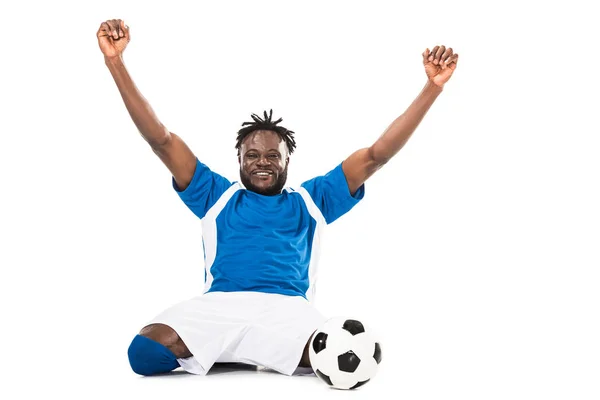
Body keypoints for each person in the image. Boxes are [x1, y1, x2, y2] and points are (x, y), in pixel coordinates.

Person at [97, 18, 459, 377]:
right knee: (144, 352)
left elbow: (376, 155)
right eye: (252, 155)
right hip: (219, 307)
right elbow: (160, 139)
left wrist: (432, 87)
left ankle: (238, 351)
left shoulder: (312, 199)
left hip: (286, 311)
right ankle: (235, 351)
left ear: (288, 160)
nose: (262, 163)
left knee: (332, 355)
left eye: (273, 155)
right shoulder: (215, 195)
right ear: (239, 159)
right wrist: (116, 62)